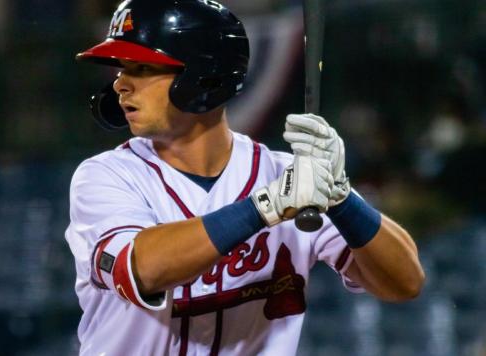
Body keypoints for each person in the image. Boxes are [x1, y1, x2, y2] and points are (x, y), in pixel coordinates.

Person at [65, 0, 425, 355]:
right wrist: (264, 208)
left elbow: (405, 282)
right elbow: (144, 268)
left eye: (141, 68)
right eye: (120, 69)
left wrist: (341, 197)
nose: (120, 85)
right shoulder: (106, 177)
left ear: (205, 76)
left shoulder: (286, 176)